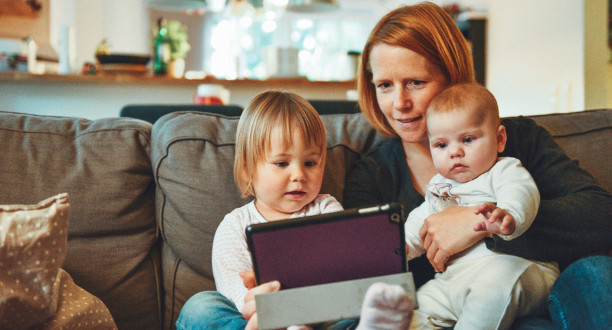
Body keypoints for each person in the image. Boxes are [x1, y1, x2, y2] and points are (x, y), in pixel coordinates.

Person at [343, 1, 612, 328]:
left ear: (451, 76)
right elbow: (365, 272)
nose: (400, 103)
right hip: (438, 311)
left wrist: (478, 223)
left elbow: (601, 216)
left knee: (597, 271)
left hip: (530, 298)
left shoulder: (516, 140)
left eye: (416, 82)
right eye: (385, 85)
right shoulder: (371, 175)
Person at [176, 90, 414, 330]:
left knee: (366, 304)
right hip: (257, 320)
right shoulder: (234, 225)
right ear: (248, 169)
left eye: (310, 163)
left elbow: (341, 278)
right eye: (281, 163)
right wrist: (268, 313)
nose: (299, 175)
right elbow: (235, 294)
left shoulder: (326, 209)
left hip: (321, 317)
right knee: (201, 306)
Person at [403, 82, 559, 329]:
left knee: (493, 285)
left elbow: (521, 191)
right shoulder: (439, 186)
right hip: (453, 280)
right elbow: (422, 219)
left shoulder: (503, 169)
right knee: (412, 310)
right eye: (441, 145)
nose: (455, 152)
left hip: (517, 269)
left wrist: (509, 215)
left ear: (499, 139)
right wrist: (402, 246)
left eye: (467, 139)